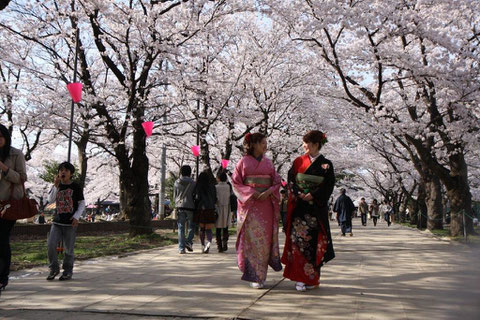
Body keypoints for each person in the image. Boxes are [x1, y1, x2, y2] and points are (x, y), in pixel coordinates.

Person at [281, 130, 335, 292]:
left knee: (314, 244)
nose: (304, 146)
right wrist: (298, 193)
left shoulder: (326, 164)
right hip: (300, 208)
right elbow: (291, 180)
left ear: (316, 144)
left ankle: (312, 278)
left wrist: (313, 194)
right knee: (299, 244)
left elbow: (328, 185)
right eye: (304, 143)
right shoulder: (298, 161)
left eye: (307, 143)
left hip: (315, 209)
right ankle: (300, 278)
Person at [232, 132, 282, 289]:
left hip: (266, 204)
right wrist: (252, 192)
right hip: (251, 206)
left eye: (265, 143)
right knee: (252, 240)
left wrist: (269, 191)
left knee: (264, 241)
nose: (265, 146)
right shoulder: (243, 162)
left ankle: (262, 275)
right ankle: (255, 274)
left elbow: (277, 181)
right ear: (253, 144)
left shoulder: (269, 163)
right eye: (262, 143)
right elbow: (236, 183)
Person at [46, 162, 85, 281]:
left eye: (66, 170)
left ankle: (68, 271)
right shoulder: (57, 186)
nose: (63, 172)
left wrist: (76, 217)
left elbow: (82, 203)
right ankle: (54, 268)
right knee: (51, 245)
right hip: (57, 222)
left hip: (70, 223)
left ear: (71, 173)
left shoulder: (75, 187)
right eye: (61, 170)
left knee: (69, 249)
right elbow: (50, 200)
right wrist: (55, 186)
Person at [0, 124, 27, 293]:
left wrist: (5, 169)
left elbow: (22, 178)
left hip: (8, 205)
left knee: (2, 240)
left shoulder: (15, 154)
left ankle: (2, 277)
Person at [173, 165, 196, 254]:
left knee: (181, 228)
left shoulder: (176, 182)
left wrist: (176, 203)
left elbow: (174, 196)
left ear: (181, 172)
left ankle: (181, 248)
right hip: (190, 206)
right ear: (189, 173)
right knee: (191, 226)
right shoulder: (193, 183)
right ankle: (188, 241)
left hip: (180, 206)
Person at [194, 169, 217, 254]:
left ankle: (203, 245)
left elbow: (196, 198)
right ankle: (209, 242)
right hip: (210, 208)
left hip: (201, 209)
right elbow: (215, 198)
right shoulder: (212, 187)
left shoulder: (198, 186)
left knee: (202, 229)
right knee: (208, 228)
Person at [215, 170, 230, 252]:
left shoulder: (216, 187)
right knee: (225, 227)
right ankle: (225, 243)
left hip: (218, 208)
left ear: (218, 178)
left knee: (218, 228)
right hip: (227, 208)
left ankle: (219, 246)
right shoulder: (229, 186)